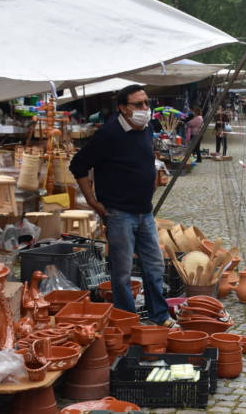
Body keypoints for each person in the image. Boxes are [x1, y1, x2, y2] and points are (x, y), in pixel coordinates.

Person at [69, 84, 175, 328]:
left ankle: (159, 316)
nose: (145, 109)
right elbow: (78, 166)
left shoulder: (147, 128)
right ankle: (128, 321)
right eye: (138, 104)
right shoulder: (108, 134)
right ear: (123, 109)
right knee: (122, 272)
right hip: (119, 213)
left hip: (144, 211)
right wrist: (93, 202)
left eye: (147, 103)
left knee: (154, 266)